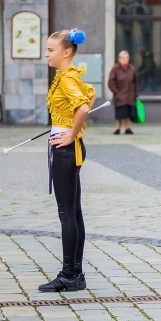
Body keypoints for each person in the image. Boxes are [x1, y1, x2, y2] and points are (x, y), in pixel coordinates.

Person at [40, 29, 96, 292]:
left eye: (51, 50)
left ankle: (68, 274)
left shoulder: (66, 79)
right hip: (69, 148)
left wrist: (70, 133)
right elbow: (91, 95)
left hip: (65, 150)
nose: (47, 54)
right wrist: (68, 126)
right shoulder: (69, 76)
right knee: (74, 212)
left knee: (67, 214)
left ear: (66, 52)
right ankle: (76, 273)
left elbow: (84, 107)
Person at [107, 50, 138, 135]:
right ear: (119, 59)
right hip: (119, 96)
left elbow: (135, 82)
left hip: (129, 95)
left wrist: (135, 93)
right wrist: (116, 92)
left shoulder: (131, 68)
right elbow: (111, 82)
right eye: (123, 58)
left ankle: (127, 128)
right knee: (119, 114)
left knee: (128, 113)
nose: (125, 59)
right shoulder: (115, 68)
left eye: (127, 58)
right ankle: (118, 128)